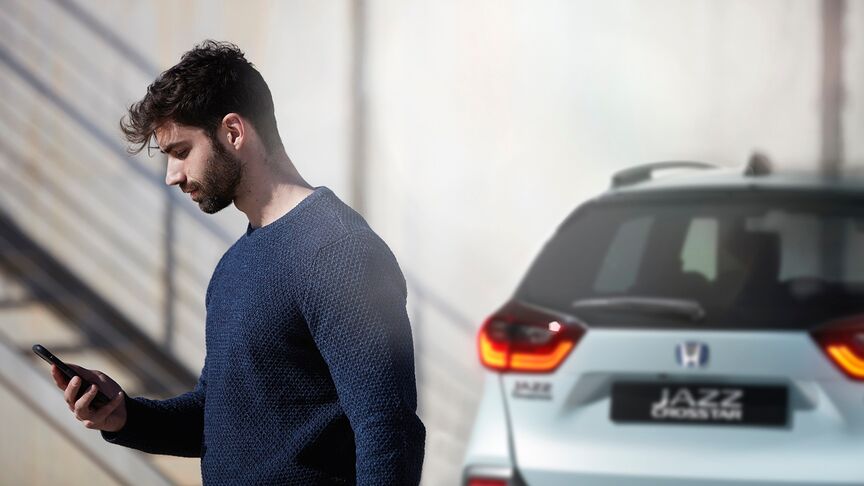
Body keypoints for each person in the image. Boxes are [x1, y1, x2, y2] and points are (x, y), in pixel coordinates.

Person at [48, 40, 426, 485]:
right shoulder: (234, 265)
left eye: (181, 151)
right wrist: (124, 416)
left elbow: (388, 430)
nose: (172, 176)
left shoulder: (339, 251)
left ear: (232, 132)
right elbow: (219, 420)